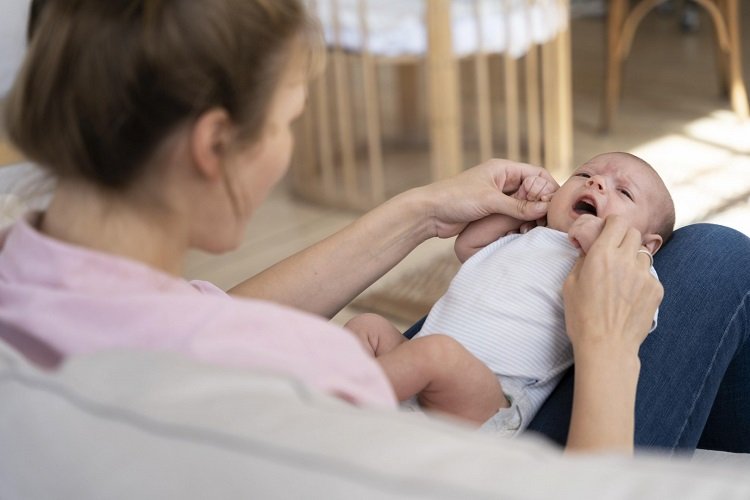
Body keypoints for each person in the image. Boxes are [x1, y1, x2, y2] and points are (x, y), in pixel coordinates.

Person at [0, 0, 746, 461]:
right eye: (290, 122)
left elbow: (201, 319)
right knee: (714, 259)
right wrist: (610, 347)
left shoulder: (23, 274)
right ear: (212, 145)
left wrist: (421, 208)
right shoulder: (304, 376)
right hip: (476, 437)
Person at [346, 152, 674, 433]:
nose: (596, 183)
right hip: (422, 363)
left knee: (436, 353)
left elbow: (634, 319)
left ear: (647, 244)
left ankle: (335, 406)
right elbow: (467, 246)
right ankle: (354, 399)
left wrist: (595, 242)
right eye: (584, 174)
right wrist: (521, 207)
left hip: (494, 396)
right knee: (368, 326)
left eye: (624, 192)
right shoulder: (530, 235)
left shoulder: (626, 269)